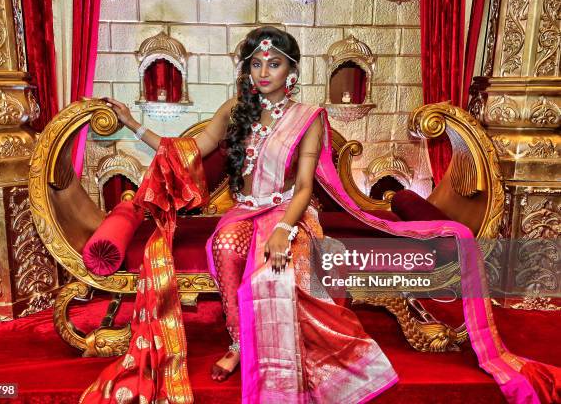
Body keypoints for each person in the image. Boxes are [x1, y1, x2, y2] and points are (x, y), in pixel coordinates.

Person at [83, 27, 559, 404]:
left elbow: (306, 185)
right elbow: (185, 153)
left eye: (274, 63)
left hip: (291, 212)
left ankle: (287, 357)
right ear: (247, 69)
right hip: (244, 212)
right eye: (256, 63)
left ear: (291, 71)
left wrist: (284, 230)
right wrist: (132, 123)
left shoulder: (307, 117)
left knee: (277, 274)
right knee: (225, 248)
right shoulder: (236, 110)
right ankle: (238, 343)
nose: (263, 71)